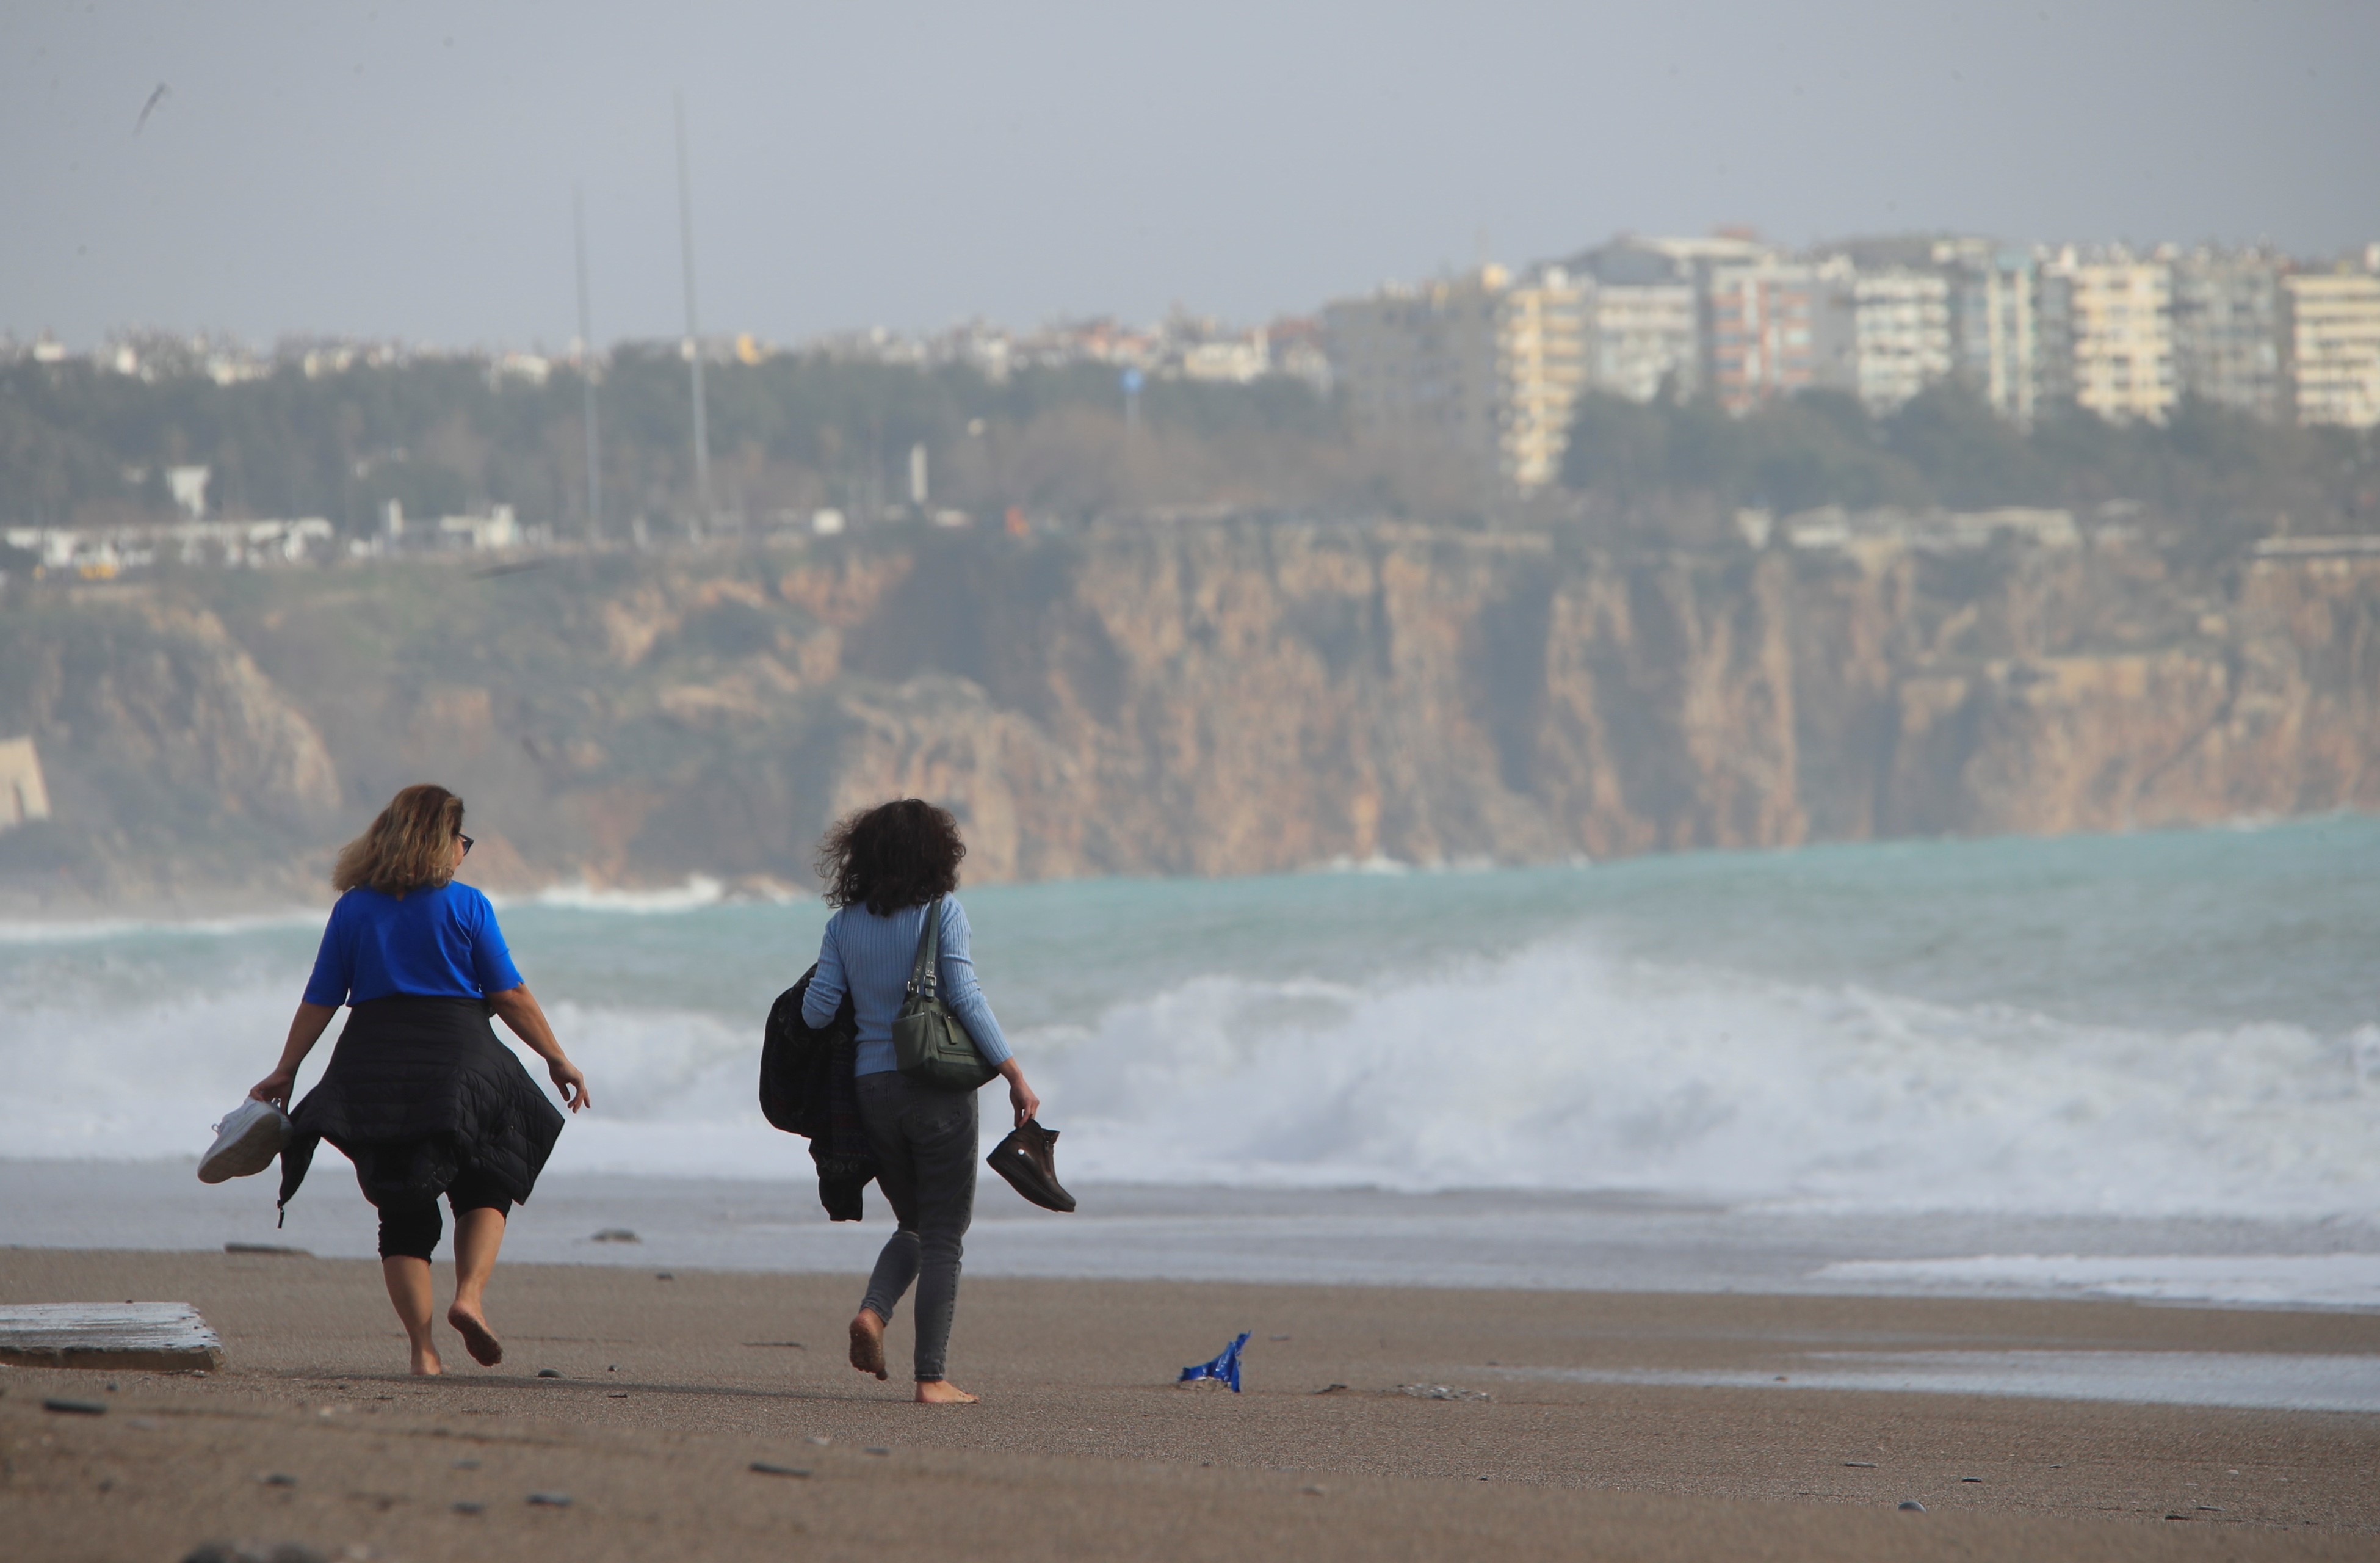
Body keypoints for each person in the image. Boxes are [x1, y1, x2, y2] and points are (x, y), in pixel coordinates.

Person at [248, 784, 590, 1377]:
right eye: (463, 837)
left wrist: (287, 1068)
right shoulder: (466, 905)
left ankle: (422, 1350)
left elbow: (322, 998)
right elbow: (507, 993)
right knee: (489, 1174)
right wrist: (556, 1056)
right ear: (440, 841)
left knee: (401, 1206)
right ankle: (470, 1296)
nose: (466, 848)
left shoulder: (353, 908)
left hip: (371, 1061)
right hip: (458, 1053)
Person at [803, 797, 1039, 1404]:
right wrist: (1013, 1071)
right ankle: (931, 1377)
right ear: (937, 853)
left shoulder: (843, 926)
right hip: (935, 1088)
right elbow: (964, 995)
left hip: (871, 1091)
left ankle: (873, 1315)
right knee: (943, 1235)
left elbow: (817, 1011)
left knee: (915, 1222)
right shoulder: (942, 912)